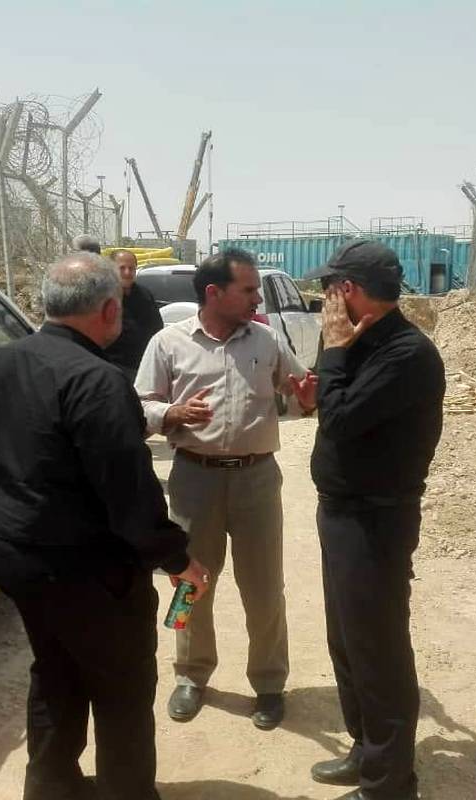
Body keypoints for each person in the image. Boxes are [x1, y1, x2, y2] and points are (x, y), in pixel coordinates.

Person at [0, 251, 208, 800]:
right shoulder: (98, 381)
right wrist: (178, 559)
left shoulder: (0, 361)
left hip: (12, 550)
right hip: (82, 566)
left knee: (56, 669)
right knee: (122, 686)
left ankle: (51, 786)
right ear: (109, 310)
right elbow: (130, 495)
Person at [135, 247, 317, 732]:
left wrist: (306, 399)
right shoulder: (168, 342)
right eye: (249, 289)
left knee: (264, 587)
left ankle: (269, 683)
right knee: (189, 581)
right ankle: (190, 674)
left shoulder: (265, 338)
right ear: (214, 293)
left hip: (257, 478)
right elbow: (140, 406)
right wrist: (171, 413)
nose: (257, 297)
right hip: (194, 478)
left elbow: (297, 393)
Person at [302, 241, 445, 800]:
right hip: (342, 513)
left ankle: (388, 785)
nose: (324, 301)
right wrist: (328, 366)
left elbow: (339, 420)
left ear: (350, 290)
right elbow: (332, 405)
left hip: (375, 521)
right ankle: (367, 750)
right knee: (346, 641)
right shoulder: (359, 341)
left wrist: (335, 352)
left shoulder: (406, 353)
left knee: (378, 650)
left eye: (329, 289)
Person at [101, 249, 164, 381]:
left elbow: (157, 329)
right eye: (122, 268)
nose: (127, 273)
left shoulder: (144, 295)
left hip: (143, 367)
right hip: (111, 369)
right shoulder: (101, 297)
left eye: (131, 268)